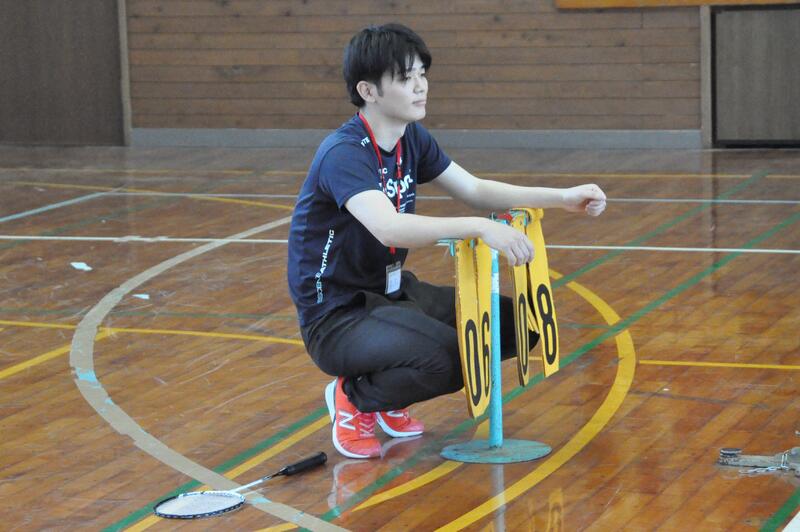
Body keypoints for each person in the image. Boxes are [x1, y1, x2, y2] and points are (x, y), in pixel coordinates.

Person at [287, 23, 606, 459]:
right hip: (337, 316)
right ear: (368, 90)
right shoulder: (344, 153)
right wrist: (478, 228)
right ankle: (355, 398)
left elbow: (473, 189)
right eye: (406, 78)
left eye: (422, 74)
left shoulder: (411, 139)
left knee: (518, 325)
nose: (421, 86)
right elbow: (389, 227)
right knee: (456, 360)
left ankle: (389, 394)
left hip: (391, 295)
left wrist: (562, 198)